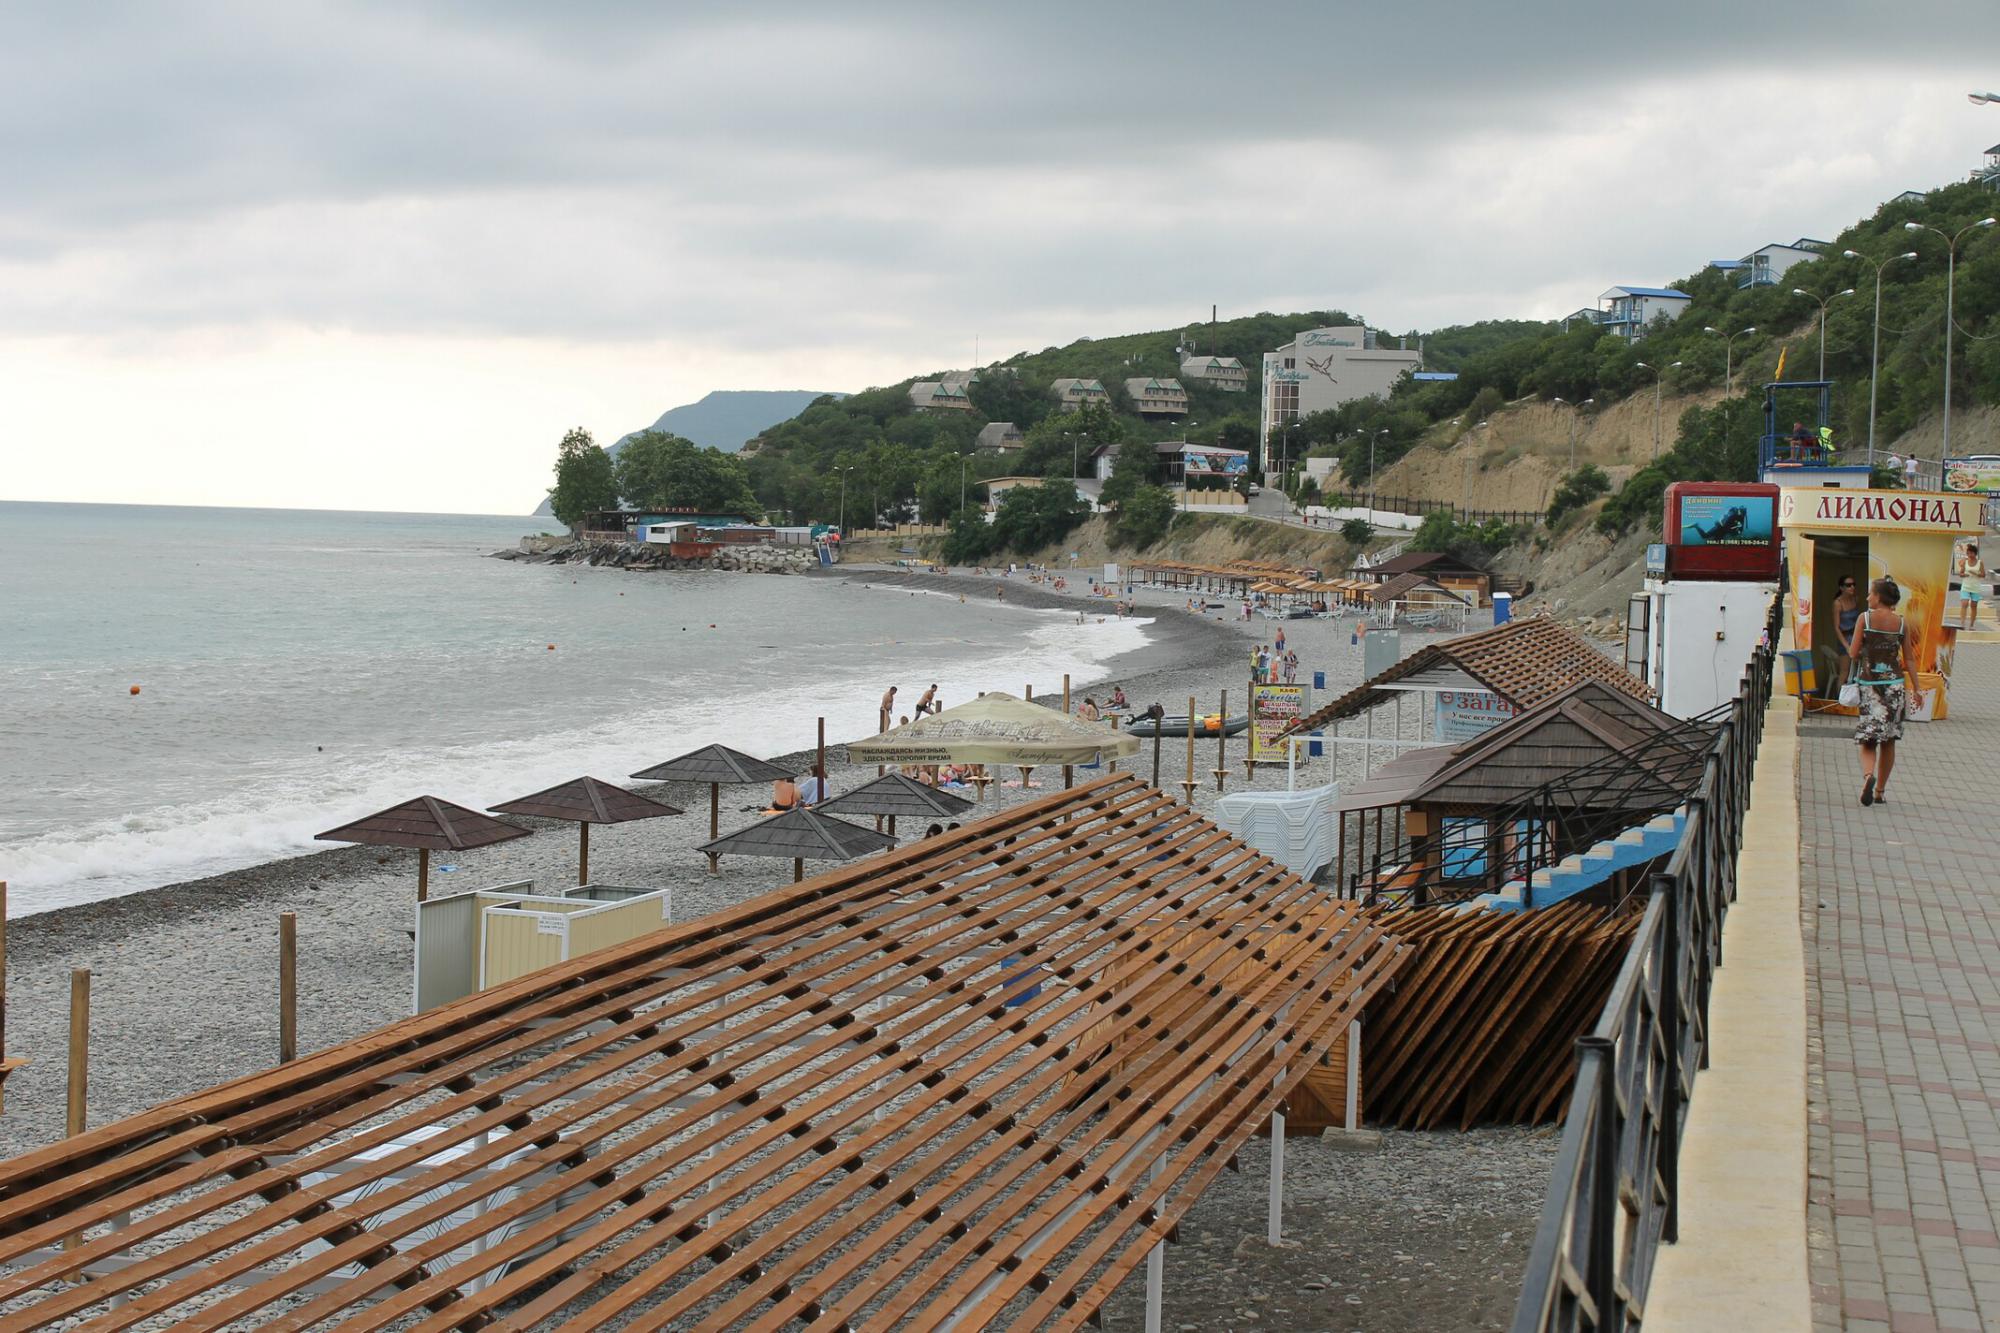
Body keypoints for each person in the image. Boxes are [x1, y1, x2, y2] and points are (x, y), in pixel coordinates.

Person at [1847, 577, 1913, 807]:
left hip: (1870, 686)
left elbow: (1854, 653)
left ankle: (1867, 777)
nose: (1867, 598)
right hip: (1894, 686)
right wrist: (1919, 688)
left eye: (1870, 594)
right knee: (1889, 740)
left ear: (1878, 597)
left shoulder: (1864, 618)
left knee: (1868, 738)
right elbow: (1909, 660)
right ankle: (1880, 792)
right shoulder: (1902, 624)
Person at [1819, 574, 1862, 698]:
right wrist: (1846, 645)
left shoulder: (1855, 599)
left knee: (1858, 670)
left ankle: (1853, 698)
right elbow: (1836, 627)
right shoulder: (1837, 603)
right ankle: (1840, 699)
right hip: (1845, 637)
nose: (1852, 587)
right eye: (1848, 585)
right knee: (1844, 671)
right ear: (1841, 588)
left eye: (1853, 584)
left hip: (1856, 636)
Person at [1957, 543, 1985, 630]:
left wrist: (1977, 574)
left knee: (1974, 605)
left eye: (1971, 553)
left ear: (1975, 553)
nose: (1970, 555)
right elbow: (1960, 573)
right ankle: (1962, 623)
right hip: (1966, 586)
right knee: (1964, 603)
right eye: (1968, 553)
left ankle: (1972, 624)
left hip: (1975, 587)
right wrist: (1963, 574)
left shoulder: (1980, 562)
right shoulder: (1965, 562)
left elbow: (1983, 574)